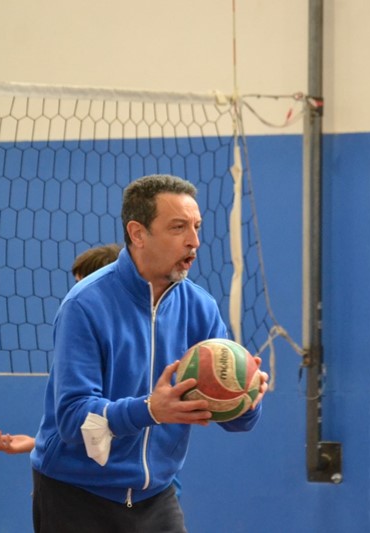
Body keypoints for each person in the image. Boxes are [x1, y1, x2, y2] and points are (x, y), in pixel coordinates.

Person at [29, 174, 268, 533]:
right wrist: (150, 410)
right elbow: (73, 418)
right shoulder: (85, 305)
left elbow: (237, 423)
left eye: (197, 227)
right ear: (138, 234)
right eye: (178, 227)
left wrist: (246, 396)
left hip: (156, 495)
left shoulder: (200, 306)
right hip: (76, 494)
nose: (194, 241)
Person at [0, 243, 123, 455]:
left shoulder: (123, 343)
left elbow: (109, 421)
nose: (76, 292)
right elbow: (81, 421)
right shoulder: (82, 335)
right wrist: (37, 442)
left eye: (82, 284)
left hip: (114, 470)